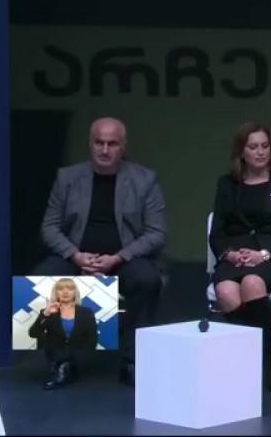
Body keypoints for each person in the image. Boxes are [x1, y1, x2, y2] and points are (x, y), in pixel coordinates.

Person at [32, 117, 167, 387]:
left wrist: (118, 257)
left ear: (123, 146)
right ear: (90, 144)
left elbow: (157, 233)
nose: (104, 150)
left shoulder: (145, 180)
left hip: (124, 258)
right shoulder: (67, 178)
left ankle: (133, 361)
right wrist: (75, 255)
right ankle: (61, 363)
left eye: (112, 144)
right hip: (77, 256)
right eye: (99, 143)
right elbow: (49, 227)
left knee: (147, 280)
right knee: (44, 276)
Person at [209, 122, 271, 393]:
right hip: (235, 258)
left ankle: (269, 362)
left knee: (252, 282)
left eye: (265, 146)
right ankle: (263, 360)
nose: (260, 152)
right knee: (226, 290)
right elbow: (217, 234)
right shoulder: (227, 185)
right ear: (242, 151)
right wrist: (229, 254)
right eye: (253, 147)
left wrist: (263, 254)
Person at [28, 278, 98, 390]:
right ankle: (63, 368)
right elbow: (33, 333)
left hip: (78, 353)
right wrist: (46, 314)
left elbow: (92, 337)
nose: (65, 292)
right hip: (54, 352)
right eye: (61, 289)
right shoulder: (47, 311)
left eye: (69, 288)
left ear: (75, 292)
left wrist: (84, 353)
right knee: (50, 341)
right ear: (56, 292)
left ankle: (64, 367)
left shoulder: (86, 312)